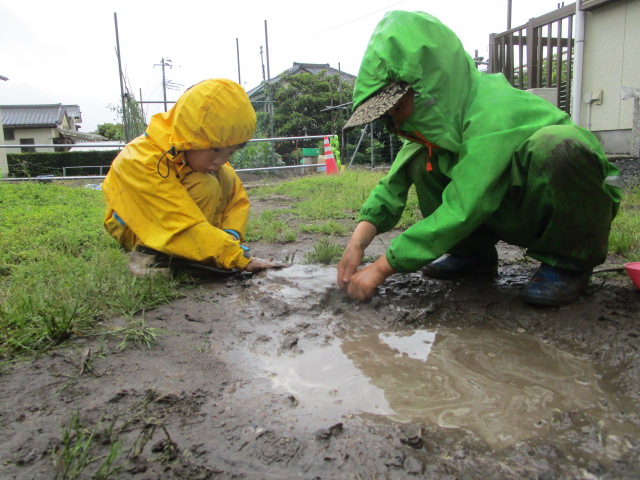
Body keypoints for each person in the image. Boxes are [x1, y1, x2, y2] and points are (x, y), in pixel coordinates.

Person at [337, 11, 622, 307]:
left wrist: (382, 268)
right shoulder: (430, 127)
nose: (395, 124)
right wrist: (357, 243)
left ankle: (567, 262)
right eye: (387, 115)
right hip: (505, 206)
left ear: (427, 87)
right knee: (422, 161)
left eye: (395, 108)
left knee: (559, 147)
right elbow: (392, 185)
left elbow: (466, 203)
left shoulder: (492, 110)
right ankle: (471, 254)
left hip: (556, 201)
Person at [102, 78, 279, 277]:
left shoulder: (215, 163)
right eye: (216, 149)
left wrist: (229, 238)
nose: (220, 161)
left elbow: (235, 204)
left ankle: (190, 253)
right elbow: (174, 221)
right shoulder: (140, 159)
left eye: (231, 152)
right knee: (205, 184)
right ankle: (149, 256)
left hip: (180, 223)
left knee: (216, 179)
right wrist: (236, 257)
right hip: (136, 226)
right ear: (190, 136)